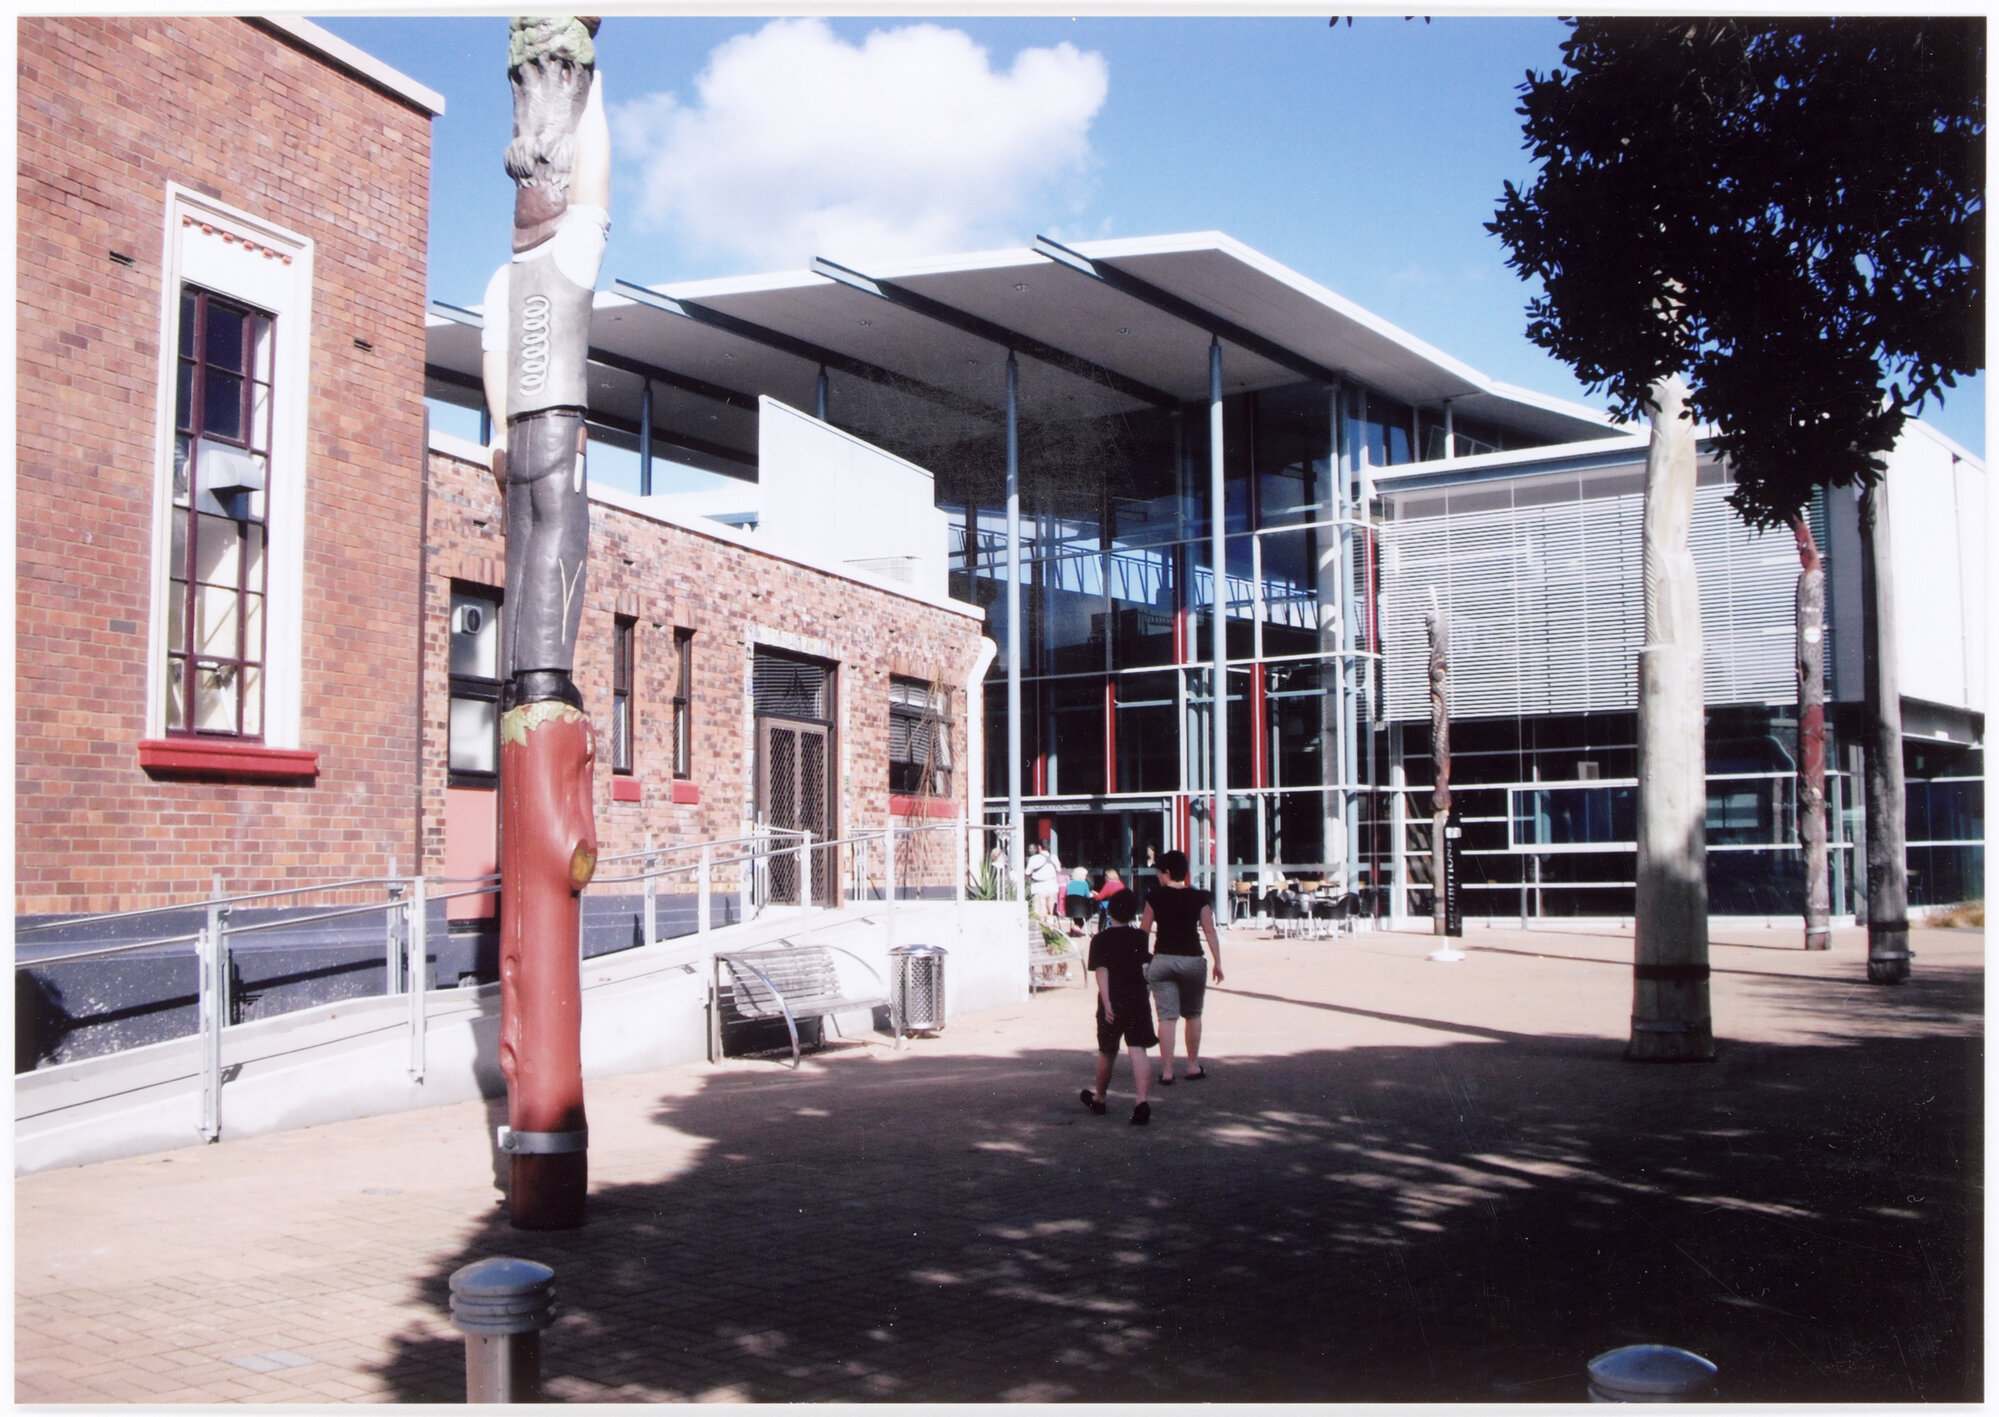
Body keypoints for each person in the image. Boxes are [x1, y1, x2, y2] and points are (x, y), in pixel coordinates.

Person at [1140, 849, 1224, 1084]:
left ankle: (1167, 1071)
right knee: (1193, 1014)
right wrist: (1218, 962)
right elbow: (1209, 930)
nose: (1158, 876)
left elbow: (1144, 930)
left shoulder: (1154, 897)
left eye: (1159, 872)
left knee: (1166, 1018)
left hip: (1163, 958)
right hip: (1192, 960)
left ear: (1167, 873)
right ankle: (1192, 1065)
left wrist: (1142, 959)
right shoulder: (1199, 898)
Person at [1080, 888, 1156, 1125]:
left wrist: (1107, 1000)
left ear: (1109, 911)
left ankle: (1100, 1097)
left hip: (1113, 1000)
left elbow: (1101, 970)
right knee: (1138, 1050)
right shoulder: (1140, 938)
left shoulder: (1100, 939)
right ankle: (1141, 1100)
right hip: (1137, 999)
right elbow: (1146, 967)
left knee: (1107, 1050)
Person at [1025, 840, 1060, 921]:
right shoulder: (1054, 857)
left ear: (1040, 847)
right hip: (1052, 886)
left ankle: (1042, 930)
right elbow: (1058, 870)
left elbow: (1027, 873)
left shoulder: (1034, 858)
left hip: (1039, 887)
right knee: (1050, 912)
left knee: (1040, 912)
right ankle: (1051, 929)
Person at [1063, 867, 1094, 935]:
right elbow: (1087, 895)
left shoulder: (1070, 883)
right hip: (1081, 907)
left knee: (1077, 914)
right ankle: (1077, 927)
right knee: (1089, 914)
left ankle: (1075, 928)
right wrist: (1092, 894)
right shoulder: (1084, 883)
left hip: (1070, 908)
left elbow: (1066, 894)